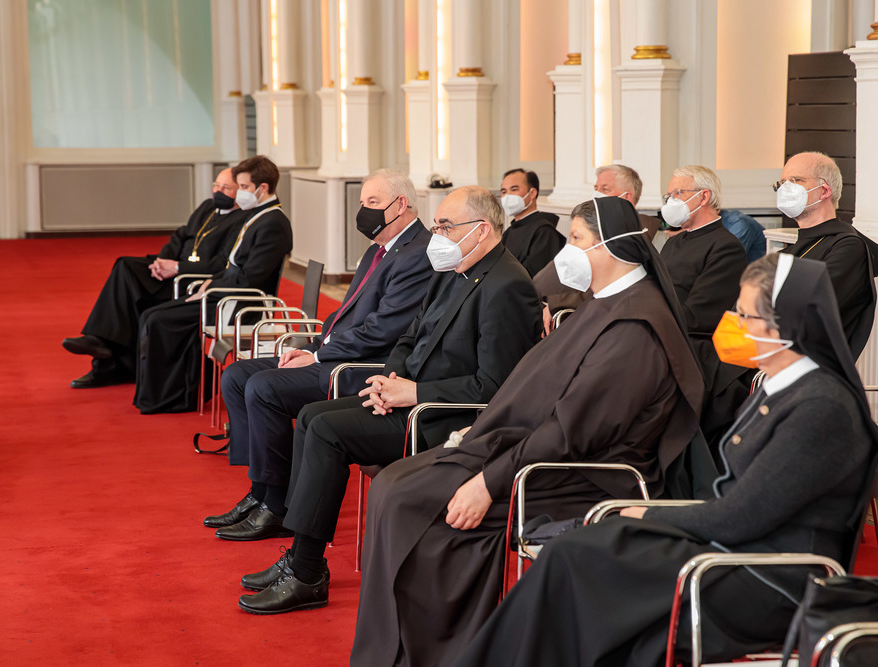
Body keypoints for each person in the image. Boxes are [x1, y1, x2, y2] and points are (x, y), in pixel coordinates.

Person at [454, 253, 878, 667]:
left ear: (785, 326)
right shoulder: (782, 387)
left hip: (765, 577)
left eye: (744, 315)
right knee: (574, 552)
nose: (733, 323)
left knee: (579, 562)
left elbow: (741, 517)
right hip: (728, 553)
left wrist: (647, 515)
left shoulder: (821, 407)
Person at [349, 197, 706, 666]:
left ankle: (429, 654)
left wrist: (487, 482)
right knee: (395, 483)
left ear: (611, 247)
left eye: (576, 239)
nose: (567, 251)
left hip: (582, 474)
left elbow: (575, 433)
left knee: (408, 500)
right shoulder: (609, 301)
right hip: (534, 449)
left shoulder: (635, 326)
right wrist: (484, 432)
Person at [233, 185, 543, 614]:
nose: (437, 235)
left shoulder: (508, 285)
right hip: (407, 398)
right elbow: (410, 337)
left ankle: (306, 572)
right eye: (437, 225)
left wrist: (414, 393)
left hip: (443, 416)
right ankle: (300, 558)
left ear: (482, 230)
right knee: (309, 416)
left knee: (325, 430)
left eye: (446, 226)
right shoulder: (453, 269)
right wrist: (388, 379)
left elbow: (496, 387)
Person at [205, 169, 434, 539]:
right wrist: (312, 347)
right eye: (362, 202)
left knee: (264, 388)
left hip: (362, 367)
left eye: (372, 202)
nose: (364, 210)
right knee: (237, 376)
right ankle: (261, 490)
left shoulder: (417, 254)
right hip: (336, 354)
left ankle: (276, 504)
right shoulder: (379, 249)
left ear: (400, 204)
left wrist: (318, 355)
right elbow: (343, 316)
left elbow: (383, 330)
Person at [132, 155, 293, 414]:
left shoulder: (274, 222)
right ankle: (167, 393)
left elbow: (252, 279)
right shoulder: (257, 215)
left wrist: (212, 287)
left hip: (241, 304)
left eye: (244, 187)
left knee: (160, 319)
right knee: (151, 314)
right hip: (226, 293)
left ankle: (174, 396)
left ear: (263, 188)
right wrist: (210, 282)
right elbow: (232, 265)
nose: (240, 193)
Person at [60, 168, 246, 388]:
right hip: (171, 269)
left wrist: (176, 267)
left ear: (241, 191)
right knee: (126, 267)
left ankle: (106, 359)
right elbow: (181, 235)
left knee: (131, 295)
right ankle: (102, 345)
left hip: (192, 279)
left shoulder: (242, 219)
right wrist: (162, 261)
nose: (218, 191)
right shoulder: (208, 207)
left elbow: (222, 264)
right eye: (216, 185)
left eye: (226, 188)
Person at [659, 165, 749, 451]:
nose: (671, 201)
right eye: (668, 196)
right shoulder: (673, 244)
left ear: (704, 196)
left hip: (695, 348)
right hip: (663, 335)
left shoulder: (725, 246)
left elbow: (697, 317)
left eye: (677, 193)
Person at [536, 163, 658, 333]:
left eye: (604, 189)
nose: (596, 194)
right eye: (596, 188)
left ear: (626, 197)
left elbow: (604, 283)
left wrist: (554, 303)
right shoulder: (595, 227)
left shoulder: (632, 237)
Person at [777, 151, 876, 358]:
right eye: (782, 182)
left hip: (802, 361)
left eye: (796, 180)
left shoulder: (848, 247)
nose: (785, 188)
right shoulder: (786, 251)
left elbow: (808, 311)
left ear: (824, 191)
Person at [499, 168, 564, 277]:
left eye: (514, 189)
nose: (507, 196)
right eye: (504, 192)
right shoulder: (509, 231)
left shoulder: (544, 232)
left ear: (532, 193)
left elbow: (533, 276)